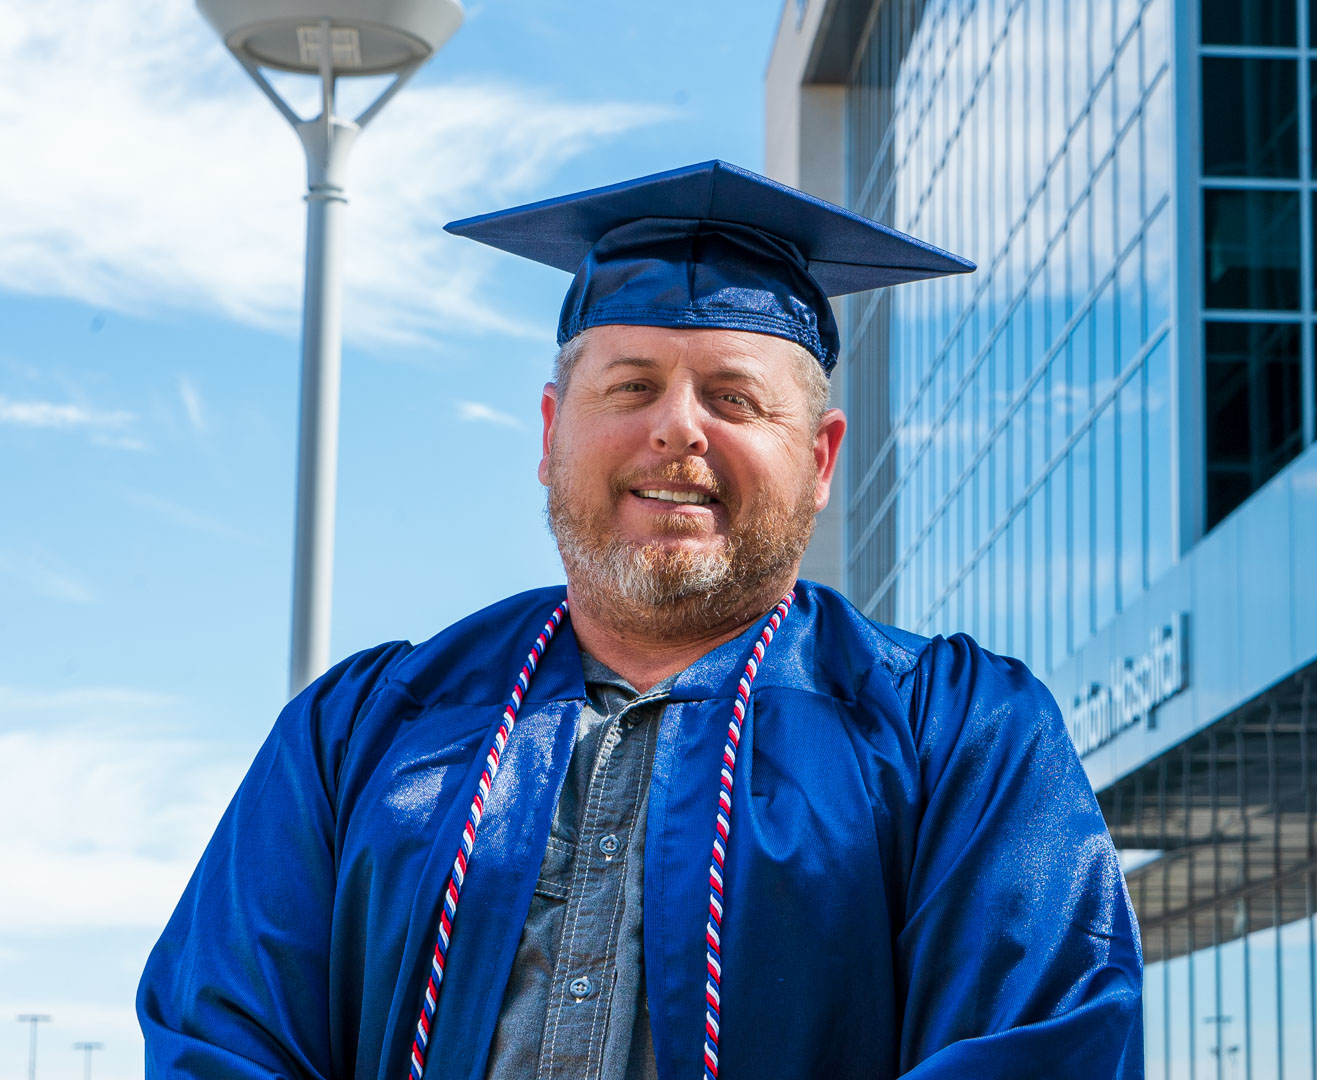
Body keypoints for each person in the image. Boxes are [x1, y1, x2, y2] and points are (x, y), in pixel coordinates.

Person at [138, 160, 1143, 1080]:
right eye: (630, 387)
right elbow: (222, 1041)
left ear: (823, 458)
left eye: (736, 399)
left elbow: (1042, 1047)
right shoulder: (362, 730)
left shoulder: (960, 736)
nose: (676, 427)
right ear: (548, 433)